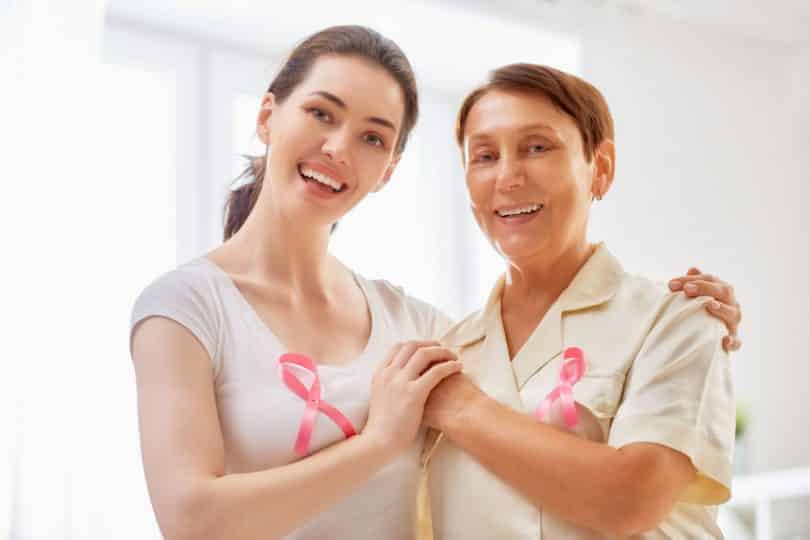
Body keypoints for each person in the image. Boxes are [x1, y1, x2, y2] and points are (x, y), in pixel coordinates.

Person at [130, 27, 742, 540]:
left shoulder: (425, 333)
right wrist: (379, 440)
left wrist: (688, 315)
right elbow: (190, 518)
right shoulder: (188, 306)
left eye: (373, 136)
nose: (339, 147)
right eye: (320, 112)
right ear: (268, 116)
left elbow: (625, 493)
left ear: (389, 168)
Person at [418, 64, 738, 539]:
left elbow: (629, 502)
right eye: (484, 155)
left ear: (600, 167)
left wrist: (461, 409)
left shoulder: (677, 319)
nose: (507, 176)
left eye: (537, 147)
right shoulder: (444, 350)